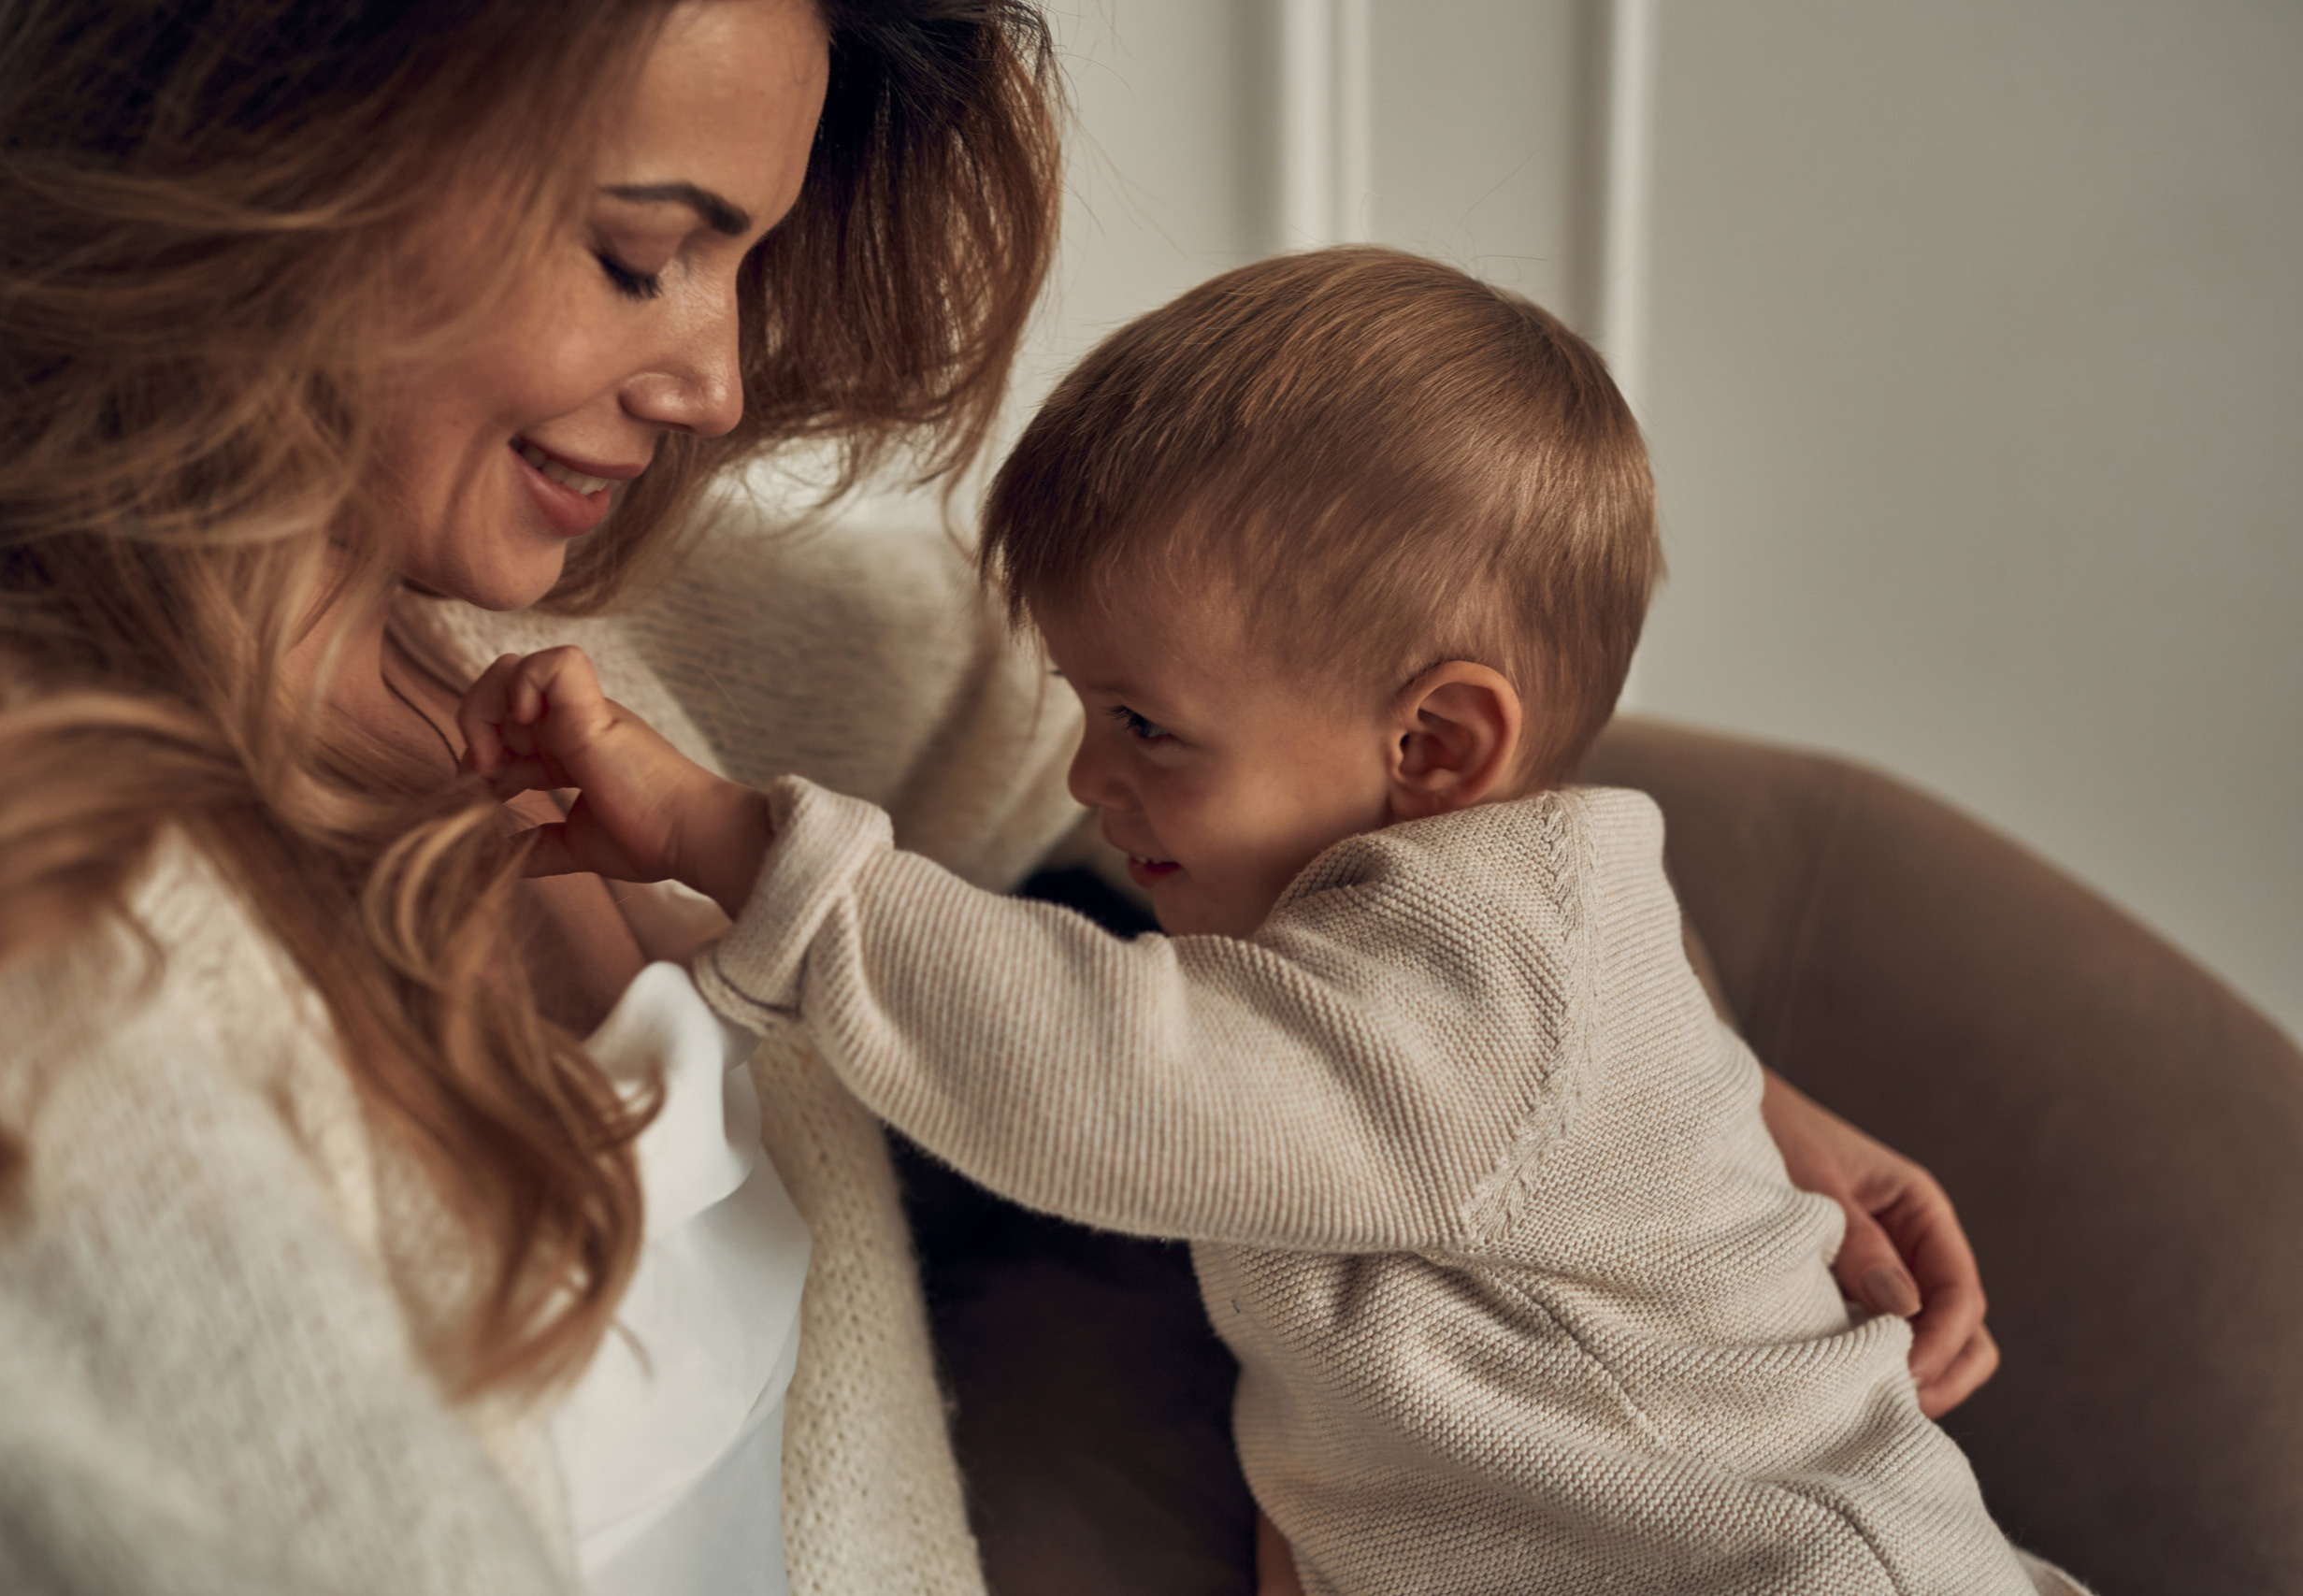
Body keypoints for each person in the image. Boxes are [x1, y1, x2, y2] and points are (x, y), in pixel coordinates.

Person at [0, 1, 1989, 1590]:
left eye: (743, 267)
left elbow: (1304, 769)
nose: (716, 384)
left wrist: (1691, 1104)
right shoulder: (26, 905)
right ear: (278, 147)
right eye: (646, 254)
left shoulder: (591, 629)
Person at [453, 249, 2084, 1594]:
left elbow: (1121, 1082)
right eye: (1084, 706)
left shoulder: (1475, 978)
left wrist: (733, 844)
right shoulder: (1443, 925)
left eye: (1147, 728)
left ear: (1434, 748)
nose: (1090, 777)